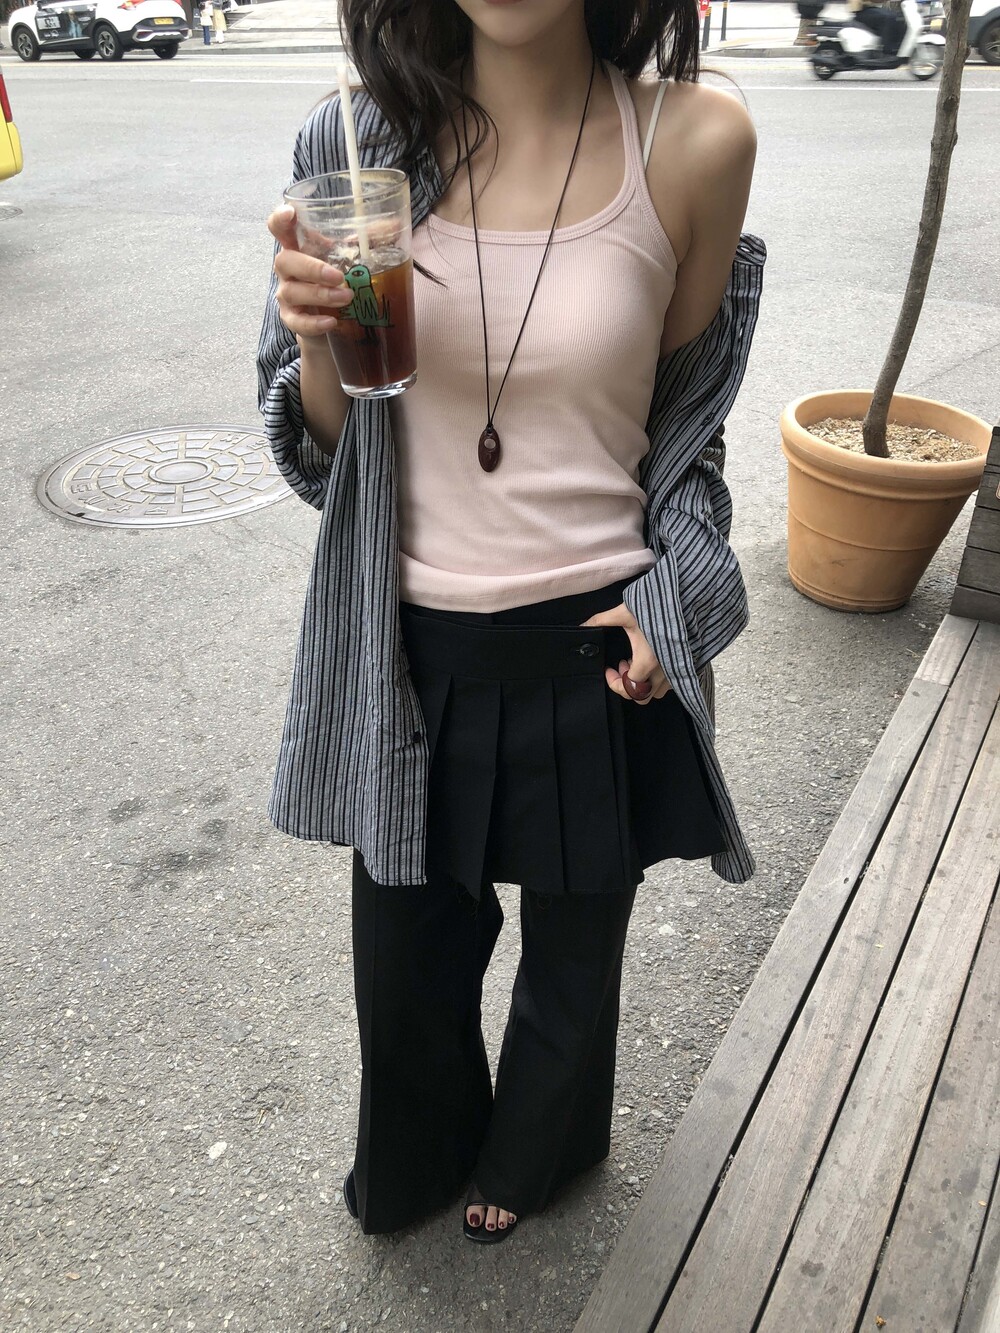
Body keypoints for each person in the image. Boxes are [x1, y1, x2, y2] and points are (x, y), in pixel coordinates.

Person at [258, 0, 763, 1244]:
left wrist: (676, 606)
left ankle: (538, 1150)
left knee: (575, 955)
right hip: (409, 643)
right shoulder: (355, 142)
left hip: (597, 639)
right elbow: (324, 459)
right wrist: (318, 343)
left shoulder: (696, 142)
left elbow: (686, 442)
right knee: (405, 958)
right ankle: (420, 1149)